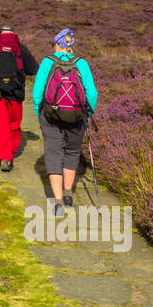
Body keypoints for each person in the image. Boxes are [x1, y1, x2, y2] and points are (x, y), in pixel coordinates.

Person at [30, 28, 98, 218]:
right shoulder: (82, 64)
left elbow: (38, 91)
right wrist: (88, 112)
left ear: (58, 44)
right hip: (77, 115)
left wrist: (38, 110)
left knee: (53, 153)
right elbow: (92, 93)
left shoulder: (47, 62)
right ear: (71, 46)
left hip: (50, 115)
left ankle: (58, 200)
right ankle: (68, 193)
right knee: (72, 151)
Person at [0, 23, 39, 173]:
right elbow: (33, 69)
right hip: (16, 92)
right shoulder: (20, 47)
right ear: (12, 34)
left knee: (2, 123)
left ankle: (5, 158)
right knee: (14, 123)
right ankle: (13, 149)